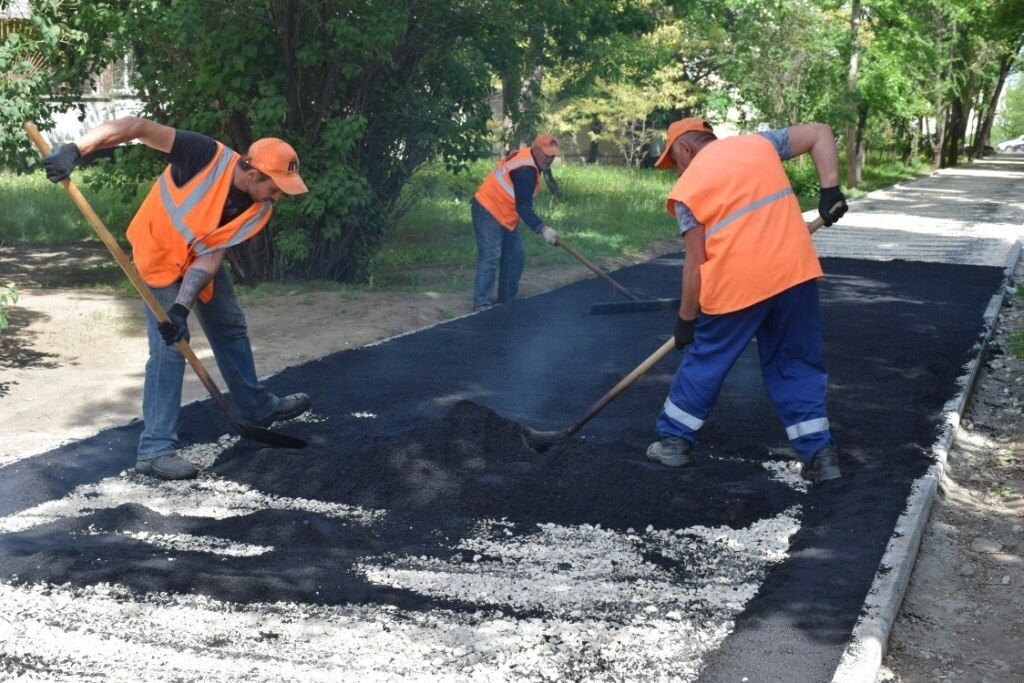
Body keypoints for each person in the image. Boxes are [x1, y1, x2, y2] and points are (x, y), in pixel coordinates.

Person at [41, 117, 312, 480]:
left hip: (197, 259)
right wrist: (78, 149)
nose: (279, 196)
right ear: (252, 172)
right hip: (158, 255)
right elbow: (137, 127)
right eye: (276, 187)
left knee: (230, 324)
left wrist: (182, 307)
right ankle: (154, 449)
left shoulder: (259, 208)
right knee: (169, 348)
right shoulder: (202, 154)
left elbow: (212, 255)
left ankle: (256, 407)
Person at [645, 118, 848, 483]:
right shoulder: (758, 144)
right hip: (794, 275)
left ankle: (674, 442)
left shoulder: (688, 188)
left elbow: (695, 263)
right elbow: (820, 131)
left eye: (673, 159)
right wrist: (829, 190)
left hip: (736, 287)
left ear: (685, 147)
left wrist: (686, 318)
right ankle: (821, 455)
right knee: (796, 364)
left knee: (707, 360)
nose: (675, 169)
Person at [470, 134, 562, 311]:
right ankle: (481, 305)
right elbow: (523, 206)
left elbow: (519, 202)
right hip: (487, 209)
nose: (549, 159)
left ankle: (506, 302)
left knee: (516, 255)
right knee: (490, 256)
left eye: (552, 155)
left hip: (505, 213)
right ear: (535, 150)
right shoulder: (525, 169)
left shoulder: (531, 161)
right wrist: (543, 230)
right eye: (546, 154)